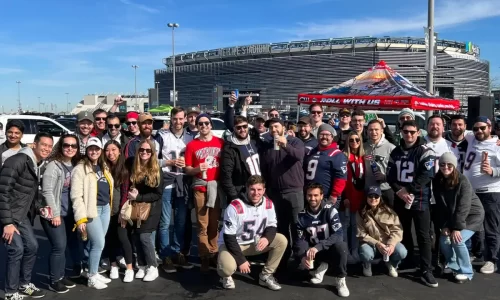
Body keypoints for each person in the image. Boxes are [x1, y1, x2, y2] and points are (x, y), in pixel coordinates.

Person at [0, 132, 54, 300]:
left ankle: (24, 284)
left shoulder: (35, 163)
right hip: (8, 215)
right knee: (16, 249)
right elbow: (2, 191)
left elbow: (27, 193)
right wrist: (8, 223)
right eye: (43, 144)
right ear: (34, 145)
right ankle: (10, 292)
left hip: (20, 214)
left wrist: (39, 208)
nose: (46, 148)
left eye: (49, 146)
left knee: (32, 246)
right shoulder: (18, 160)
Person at [387, 120, 438, 288]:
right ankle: (408, 260)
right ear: (401, 131)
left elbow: (427, 175)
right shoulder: (396, 151)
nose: (409, 134)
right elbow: (390, 176)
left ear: (418, 132)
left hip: (420, 199)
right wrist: (399, 191)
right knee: (403, 232)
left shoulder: (425, 151)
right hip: (401, 199)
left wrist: (407, 189)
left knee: (423, 236)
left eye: (412, 132)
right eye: (406, 131)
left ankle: (426, 269)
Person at [217, 175, 286, 291]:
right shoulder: (235, 206)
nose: (256, 193)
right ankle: (226, 276)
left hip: (254, 242)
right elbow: (229, 238)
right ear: (247, 189)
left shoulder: (268, 204)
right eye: (252, 189)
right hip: (234, 244)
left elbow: (272, 225)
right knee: (226, 268)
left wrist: (267, 238)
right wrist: (241, 260)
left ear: (264, 190)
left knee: (281, 240)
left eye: (259, 190)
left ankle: (266, 275)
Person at [433, 152, 484, 283]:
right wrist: (444, 225)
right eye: (443, 164)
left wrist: (456, 228)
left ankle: (467, 271)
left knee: (457, 240)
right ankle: (453, 265)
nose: (446, 167)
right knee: (444, 240)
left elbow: (464, 206)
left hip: (472, 215)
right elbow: (440, 206)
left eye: (449, 164)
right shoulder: (437, 180)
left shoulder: (463, 181)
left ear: (454, 166)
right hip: (453, 216)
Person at [259, 117, 305, 264]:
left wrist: (285, 145)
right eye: (271, 127)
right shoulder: (267, 147)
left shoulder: (294, 141)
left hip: (294, 191)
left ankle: (300, 259)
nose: (274, 130)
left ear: (283, 127)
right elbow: (264, 170)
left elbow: (299, 155)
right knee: (281, 227)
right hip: (275, 192)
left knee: (297, 227)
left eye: (276, 126)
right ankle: (283, 259)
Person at [71, 137, 114, 289]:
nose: (94, 151)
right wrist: (80, 218)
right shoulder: (80, 169)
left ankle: (93, 272)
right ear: (86, 151)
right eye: (91, 149)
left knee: (97, 244)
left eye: (96, 149)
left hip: (105, 208)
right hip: (91, 211)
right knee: (98, 243)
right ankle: (91, 277)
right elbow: (76, 196)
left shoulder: (104, 167)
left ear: (100, 151)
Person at [40, 133, 80, 293]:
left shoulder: (75, 164)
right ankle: (53, 280)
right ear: (60, 146)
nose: (70, 148)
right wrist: (55, 214)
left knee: (64, 247)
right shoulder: (53, 165)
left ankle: (61, 275)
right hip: (55, 214)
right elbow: (47, 191)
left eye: (73, 146)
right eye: (66, 145)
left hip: (69, 213)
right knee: (59, 246)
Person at [294, 183, 349, 298]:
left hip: (327, 249)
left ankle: (340, 279)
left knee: (342, 247)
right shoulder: (301, 216)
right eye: (309, 195)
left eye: (316, 195)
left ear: (321, 195)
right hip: (314, 253)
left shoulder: (330, 211)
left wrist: (318, 246)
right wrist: (303, 256)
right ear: (306, 196)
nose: (312, 198)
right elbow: (300, 239)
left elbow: (338, 234)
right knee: (299, 272)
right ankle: (322, 264)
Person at [184, 113, 224, 272]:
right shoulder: (192, 145)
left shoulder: (220, 142)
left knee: (215, 224)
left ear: (211, 125)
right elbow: (187, 169)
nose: (204, 126)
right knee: (202, 225)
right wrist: (196, 169)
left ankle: (214, 253)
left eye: (207, 123)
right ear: (197, 126)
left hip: (216, 188)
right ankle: (204, 256)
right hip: (200, 188)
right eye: (200, 124)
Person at [156, 107, 194, 272]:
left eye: (180, 119)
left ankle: (178, 252)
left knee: (181, 221)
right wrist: (169, 163)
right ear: (170, 119)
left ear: (185, 119)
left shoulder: (190, 138)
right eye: (175, 119)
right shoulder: (162, 137)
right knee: (165, 222)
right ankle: (165, 255)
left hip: (183, 183)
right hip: (167, 182)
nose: (177, 122)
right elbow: (152, 161)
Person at [462, 116, 500, 274]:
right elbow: (456, 131)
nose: (479, 131)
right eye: (476, 128)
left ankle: (492, 259)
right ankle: (478, 254)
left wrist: (493, 171)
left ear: (490, 128)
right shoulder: (471, 138)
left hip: (490, 191)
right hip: (472, 191)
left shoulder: (497, 145)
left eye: (483, 128)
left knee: (491, 227)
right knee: (474, 225)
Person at [125, 139, 164, 282]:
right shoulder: (134, 166)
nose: (144, 152)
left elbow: (158, 193)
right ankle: (142, 265)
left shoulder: (156, 169)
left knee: (144, 237)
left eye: (148, 150)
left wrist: (139, 196)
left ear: (153, 152)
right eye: (142, 150)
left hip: (151, 208)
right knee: (136, 236)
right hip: (136, 207)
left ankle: (153, 267)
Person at [356, 186, 407, 278]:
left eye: (376, 196)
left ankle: (391, 264)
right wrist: (377, 244)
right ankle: (367, 264)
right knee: (366, 253)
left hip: (387, 243)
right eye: (370, 196)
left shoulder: (389, 212)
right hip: (371, 244)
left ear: (380, 197)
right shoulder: (360, 213)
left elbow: (397, 230)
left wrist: (391, 244)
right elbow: (361, 234)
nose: (373, 199)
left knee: (402, 252)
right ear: (366, 197)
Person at [101, 140, 129, 281]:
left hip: (120, 210)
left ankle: (126, 262)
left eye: (113, 149)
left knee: (123, 238)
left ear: (119, 151)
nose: (110, 153)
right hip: (105, 209)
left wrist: (122, 210)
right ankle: (113, 265)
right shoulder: (102, 167)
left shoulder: (124, 167)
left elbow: (125, 191)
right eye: (107, 150)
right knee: (109, 238)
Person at [304, 123, 347, 209]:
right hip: (310, 196)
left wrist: (334, 195)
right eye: (322, 134)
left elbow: (341, 178)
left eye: (327, 135)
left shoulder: (337, 154)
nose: (324, 137)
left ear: (332, 137)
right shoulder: (311, 152)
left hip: (326, 197)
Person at [220, 115, 261, 202]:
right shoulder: (229, 149)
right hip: (241, 193)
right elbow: (226, 177)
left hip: (258, 191)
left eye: (244, 126)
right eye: (239, 127)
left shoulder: (254, 142)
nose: (242, 130)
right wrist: (235, 197)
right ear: (234, 129)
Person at [340, 131, 365, 262]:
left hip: (359, 197)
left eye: (357, 140)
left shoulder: (363, 158)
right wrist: (344, 197)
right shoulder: (343, 157)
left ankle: (354, 251)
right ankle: (345, 252)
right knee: (344, 225)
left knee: (356, 226)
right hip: (346, 197)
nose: (354, 142)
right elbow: (340, 179)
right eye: (351, 140)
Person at [364, 119, 396, 207]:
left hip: (386, 189)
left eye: (376, 129)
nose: (373, 132)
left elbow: (397, 171)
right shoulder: (363, 147)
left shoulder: (391, 148)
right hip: (369, 190)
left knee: (387, 218)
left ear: (382, 130)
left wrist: (385, 177)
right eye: (371, 130)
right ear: (367, 131)